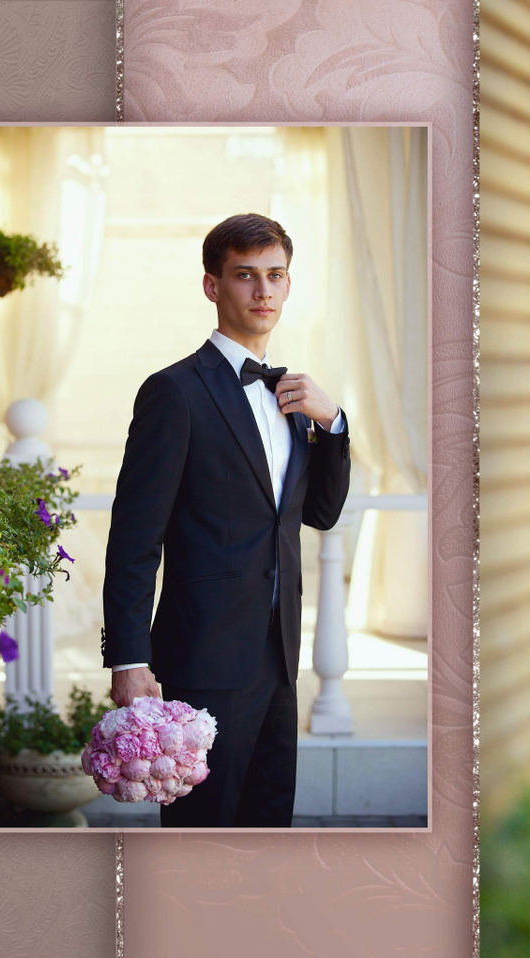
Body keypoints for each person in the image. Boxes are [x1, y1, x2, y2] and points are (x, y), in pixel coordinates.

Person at [99, 213, 352, 827]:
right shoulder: (174, 392)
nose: (263, 290)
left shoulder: (295, 398)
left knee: (269, 825)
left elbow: (320, 513)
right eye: (245, 275)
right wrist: (128, 660)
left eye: (275, 275)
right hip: (204, 657)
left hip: (279, 652)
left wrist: (334, 425)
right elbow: (134, 539)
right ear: (213, 285)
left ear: (289, 284)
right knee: (203, 835)